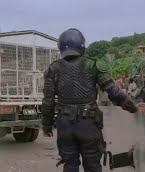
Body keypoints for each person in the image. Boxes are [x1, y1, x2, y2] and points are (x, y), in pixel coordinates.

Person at [41, 28, 138, 172]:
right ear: (82, 45)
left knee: (70, 165)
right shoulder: (94, 65)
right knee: (92, 165)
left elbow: (48, 102)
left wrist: (46, 126)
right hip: (89, 124)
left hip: (65, 125)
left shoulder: (53, 69)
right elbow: (113, 92)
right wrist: (133, 107)